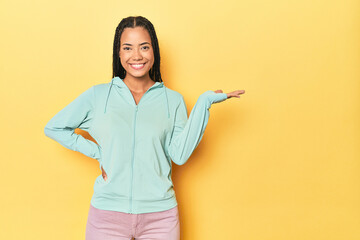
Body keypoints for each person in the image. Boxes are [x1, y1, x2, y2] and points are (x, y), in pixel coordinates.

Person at [44, 15, 245, 240]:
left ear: (154, 51)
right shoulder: (98, 96)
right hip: (107, 216)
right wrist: (98, 152)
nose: (137, 56)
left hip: (160, 217)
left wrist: (203, 104)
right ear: (118, 53)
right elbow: (54, 127)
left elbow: (179, 155)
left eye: (144, 47)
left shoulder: (173, 100)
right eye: (128, 48)